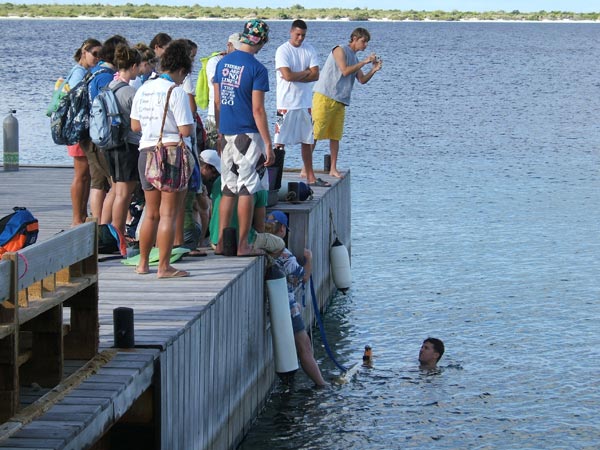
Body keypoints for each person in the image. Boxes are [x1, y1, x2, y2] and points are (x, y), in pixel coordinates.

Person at [131, 39, 194, 278]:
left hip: (146, 152)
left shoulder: (144, 87)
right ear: (181, 70)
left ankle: (143, 263)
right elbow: (186, 130)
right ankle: (164, 266)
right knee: (169, 214)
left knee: (151, 212)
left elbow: (135, 125)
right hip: (169, 154)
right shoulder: (175, 91)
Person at [213, 19, 274, 256]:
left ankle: (220, 242)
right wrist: (268, 143)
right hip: (247, 133)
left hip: (226, 131)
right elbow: (258, 109)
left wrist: (219, 131)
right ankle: (242, 245)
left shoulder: (222, 63)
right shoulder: (257, 69)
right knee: (247, 188)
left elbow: (217, 102)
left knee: (228, 187)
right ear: (262, 41)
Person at [265, 210, 327, 387]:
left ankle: (293, 383)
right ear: (282, 229)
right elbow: (304, 276)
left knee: (300, 347)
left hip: (276, 303)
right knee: (305, 346)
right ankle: (321, 384)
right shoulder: (284, 254)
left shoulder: (264, 248)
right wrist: (309, 259)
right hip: (286, 305)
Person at [312, 27, 383, 178]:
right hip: (325, 96)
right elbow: (344, 70)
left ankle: (333, 168)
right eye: (364, 41)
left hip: (340, 100)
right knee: (315, 133)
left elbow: (362, 80)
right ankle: (306, 168)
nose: (365, 45)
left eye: (367, 42)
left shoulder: (355, 59)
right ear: (355, 39)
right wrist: (365, 61)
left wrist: (374, 69)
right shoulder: (340, 50)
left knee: (335, 136)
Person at [274, 20, 328, 187]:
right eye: (297, 34)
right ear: (291, 32)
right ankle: (274, 178)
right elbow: (287, 75)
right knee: (280, 141)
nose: (300, 38)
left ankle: (310, 177)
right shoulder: (283, 50)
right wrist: (305, 72)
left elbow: (316, 75)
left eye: (303, 35)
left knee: (307, 140)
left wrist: (300, 74)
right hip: (286, 103)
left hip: (304, 103)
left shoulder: (309, 49)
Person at [86, 34, 128, 223]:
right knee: (116, 183)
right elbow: (110, 109)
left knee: (98, 183)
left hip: (91, 134)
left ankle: (97, 225)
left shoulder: (94, 72)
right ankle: (110, 225)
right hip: (104, 136)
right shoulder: (106, 77)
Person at [105, 43, 141, 256]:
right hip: (127, 146)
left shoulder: (110, 86)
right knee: (124, 195)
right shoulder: (130, 91)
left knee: (117, 191)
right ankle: (119, 239)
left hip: (110, 146)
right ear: (134, 66)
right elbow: (137, 123)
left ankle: (112, 234)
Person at [64, 38, 102, 226]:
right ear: (84, 52)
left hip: (79, 129)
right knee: (81, 174)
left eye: (100, 55)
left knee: (85, 174)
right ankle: (76, 218)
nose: (97, 58)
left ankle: (81, 215)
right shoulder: (79, 73)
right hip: (78, 130)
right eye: (94, 54)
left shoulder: (82, 72)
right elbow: (77, 102)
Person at [203, 32, 242, 149]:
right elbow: (217, 81)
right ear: (229, 45)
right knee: (213, 152)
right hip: (215, 115)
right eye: (236, 49)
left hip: (234, 115)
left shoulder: (240, 61)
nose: (239, 53)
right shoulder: (215, 61)